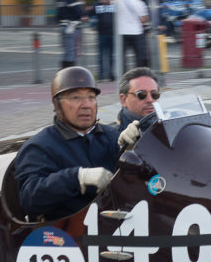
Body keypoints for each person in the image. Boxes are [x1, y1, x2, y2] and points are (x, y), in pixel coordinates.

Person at [14, 66, 140, 221]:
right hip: (70, 234)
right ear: (57, 104)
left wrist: (133, 147)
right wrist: (77, 178)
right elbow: (29, 198)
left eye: (91, 97)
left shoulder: (112, 136)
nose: (86, 105)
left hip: (122, 225)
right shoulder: (40, 146)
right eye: (75, 98)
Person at [116, 66, 160, 135]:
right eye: (141, 94)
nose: (150, 100)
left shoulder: (167, 128)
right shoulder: (112, 139)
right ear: (124, 100)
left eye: (154, 94)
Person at [117, 0, 149, 71]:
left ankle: (124, 75)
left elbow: (110, 4)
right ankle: (138, 74)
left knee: (122, 57)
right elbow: (144, 19)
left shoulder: (118, 2)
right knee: (139, 56)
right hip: (137, 32)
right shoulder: (139, 3)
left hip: (122, 32)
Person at [55, 0, 85, 69]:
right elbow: (78, 13)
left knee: (66, 51)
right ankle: (69, 73)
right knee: (71, 52)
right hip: (71, 27)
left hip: (63, 26)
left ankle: (62, 72)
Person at [89, 0, 116, 81]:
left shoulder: (114, 4)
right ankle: (101, 75)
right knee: (101, 56)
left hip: (113, 34)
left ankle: (111, 75)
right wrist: (91, 22)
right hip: (101, 34)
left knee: (112, 56)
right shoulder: (96, 5)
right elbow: (88, 14)